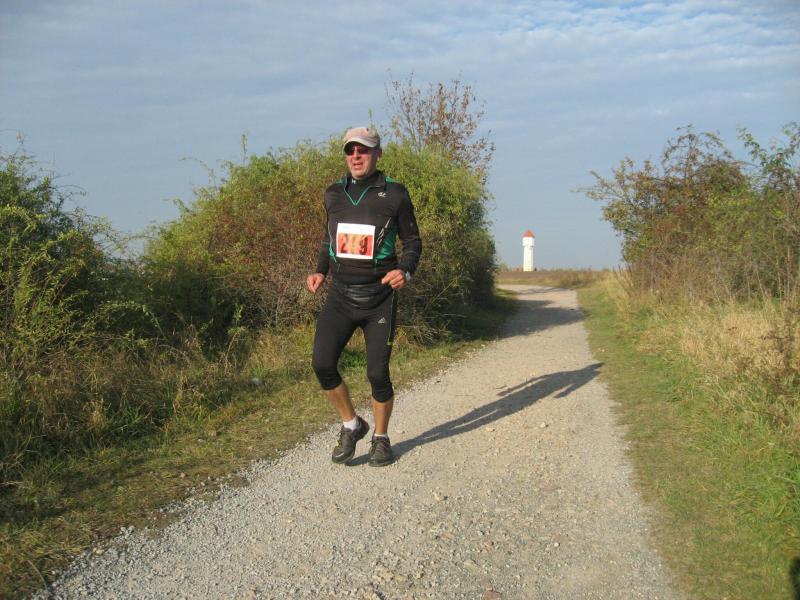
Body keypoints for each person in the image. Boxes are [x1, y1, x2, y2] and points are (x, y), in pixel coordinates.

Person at [307, 126, 421, 467]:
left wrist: (405, 270)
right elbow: (328, 239)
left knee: (377, 374)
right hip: (340, 296)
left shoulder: (395, 193)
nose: (356, 156)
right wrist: (320, 270)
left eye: (364, 150)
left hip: (379, 298)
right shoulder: (333, 193)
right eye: (350, 150)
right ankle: (351, 425)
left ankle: (381, 438)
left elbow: (413, 242)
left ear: (377, 154)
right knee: (322, 363)